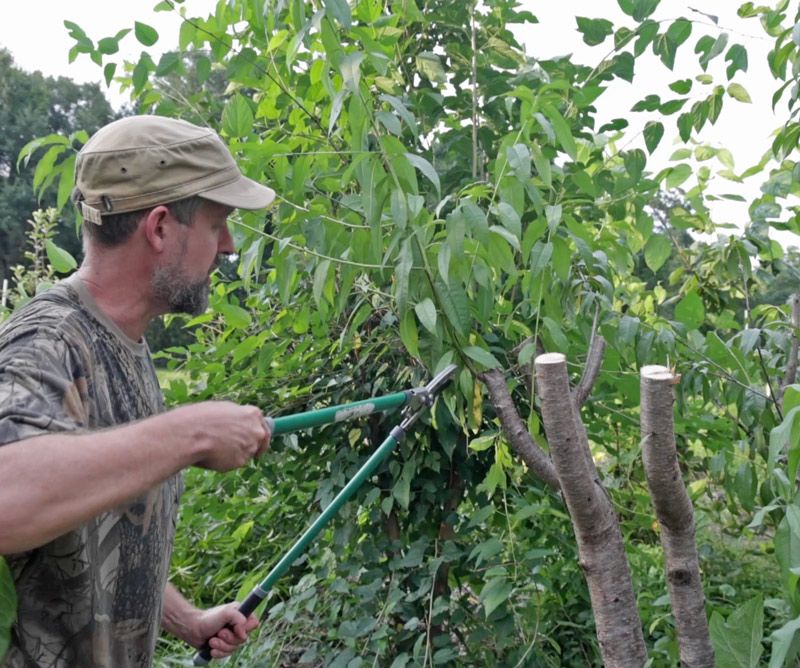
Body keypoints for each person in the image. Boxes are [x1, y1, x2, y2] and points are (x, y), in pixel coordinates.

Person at [0, 115, 276, 667]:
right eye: (218, 223)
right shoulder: (47, 342)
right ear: (158, 228)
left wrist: (185, 620)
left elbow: (93, 526)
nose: (227, 246)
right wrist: (193, 432)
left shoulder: (125, 341)